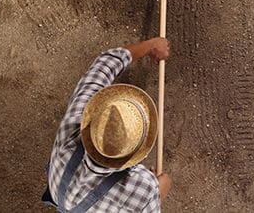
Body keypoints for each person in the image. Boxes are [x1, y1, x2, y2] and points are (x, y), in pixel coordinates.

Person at [42, 38, 172, 212]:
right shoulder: (145, 188)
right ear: (135, 153)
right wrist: (159, 193)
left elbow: (104, 66)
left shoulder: (72, 127)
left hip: (62, 194)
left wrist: (149, 46)